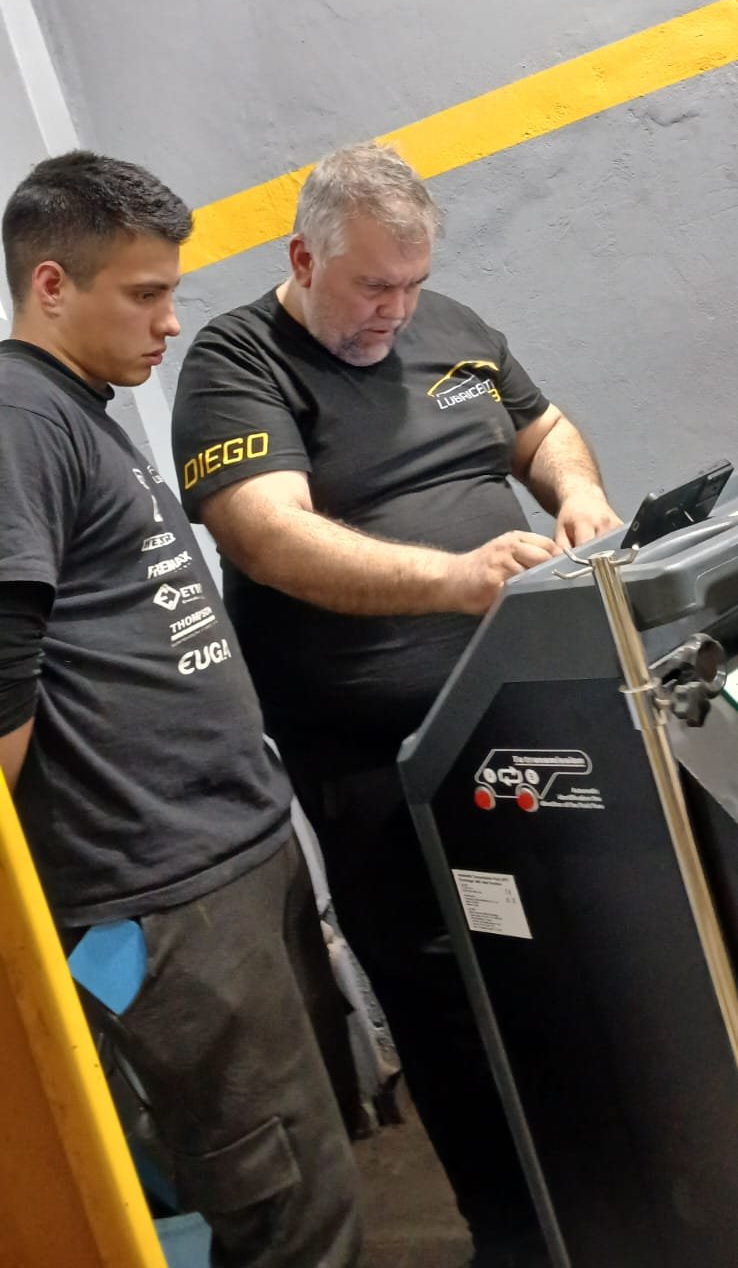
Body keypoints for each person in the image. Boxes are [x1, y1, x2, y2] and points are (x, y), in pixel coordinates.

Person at [172, 141, 622, 1268]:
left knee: (575, 968)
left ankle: (621, 1204)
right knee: (448, 1010)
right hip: (378, 760)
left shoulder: (449, 328)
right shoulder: (237, 361)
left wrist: (577, 493)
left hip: (516, 726)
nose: (397, 310)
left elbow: (543, 427)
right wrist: (457, 579)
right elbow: (268, 536)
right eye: (374, 285)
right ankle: (513, 1240)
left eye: (413, 283)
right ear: (302, 258)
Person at [0, 151, 363, 1268]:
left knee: (315, 1170)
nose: (169, 322)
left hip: (229, 860)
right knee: (285, 1209)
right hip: (161, 895)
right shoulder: (17, 415)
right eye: (145, 294)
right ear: (51, 284)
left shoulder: (79, 410)